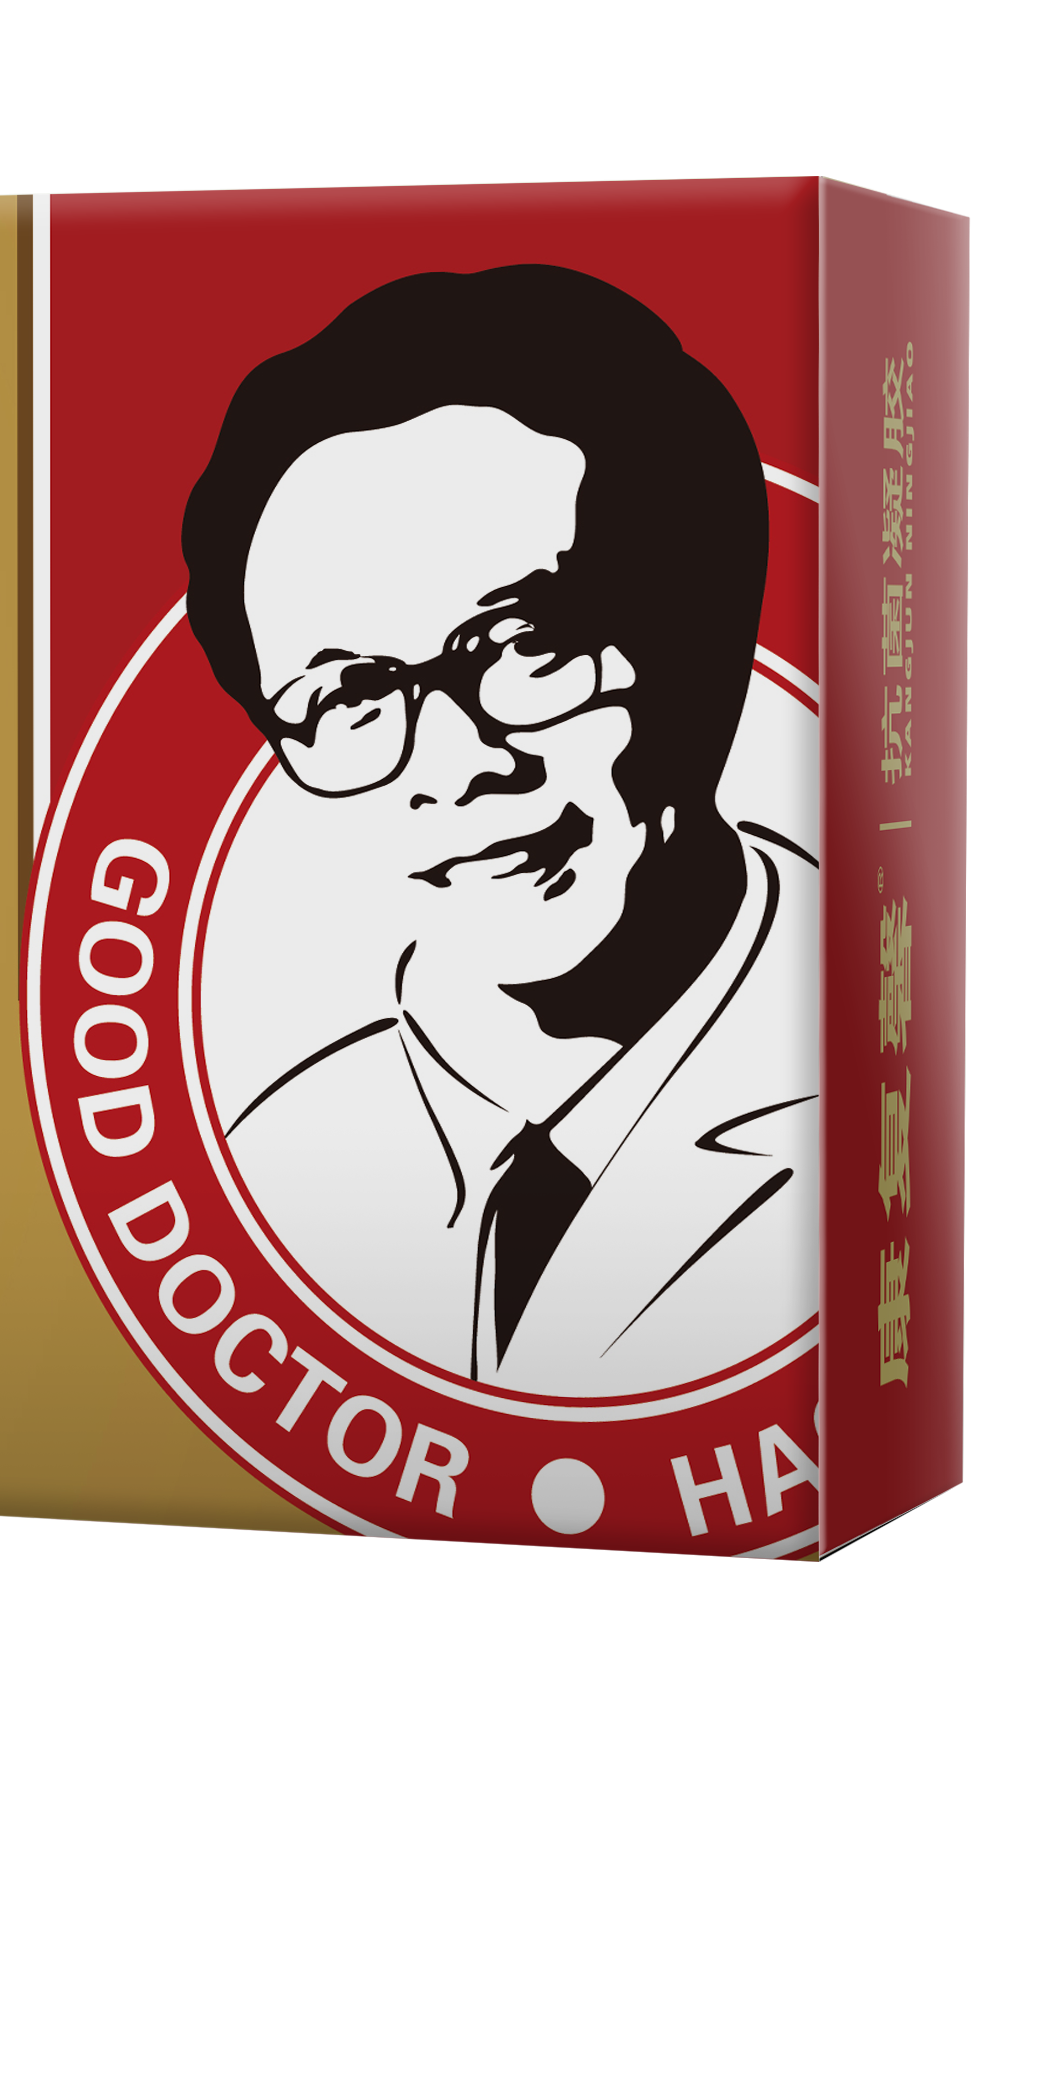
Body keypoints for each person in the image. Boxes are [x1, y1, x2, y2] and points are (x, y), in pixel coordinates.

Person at [178, 263, 813, 1398]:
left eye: (526, 646)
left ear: (698, 628)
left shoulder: (889, 1120)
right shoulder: (263, 1166)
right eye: (348, 697)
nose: (457, 765)